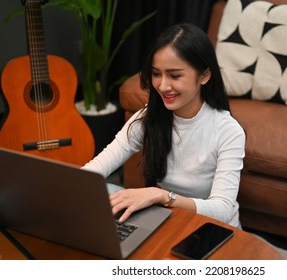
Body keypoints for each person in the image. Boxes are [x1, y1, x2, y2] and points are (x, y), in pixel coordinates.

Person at [82, 22, 245, 228]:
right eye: (156, 74)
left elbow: (222, 210)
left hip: (211, 228)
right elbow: (99, 165)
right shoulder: (151, 115)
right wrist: (69, 185)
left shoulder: (228, 131)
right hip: (169, 219)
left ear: (204, 76)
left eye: (175, 75)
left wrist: (162, 196)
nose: (162, 85)